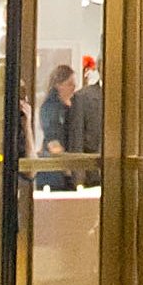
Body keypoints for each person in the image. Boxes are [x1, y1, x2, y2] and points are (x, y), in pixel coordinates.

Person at [38, 63, 78, 192]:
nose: (74, 87)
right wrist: (67, 170)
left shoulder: (70, 107)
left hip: (64, 169)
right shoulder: (51, 107)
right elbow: (53, 142)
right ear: (58, 85)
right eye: (69, 83)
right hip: (55, 174)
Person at [69, 56, 104, 188]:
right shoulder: (83, 97)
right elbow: (77, 139)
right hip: (92, 177)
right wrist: (79, 181)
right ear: (100, 68)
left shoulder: (128, 96)